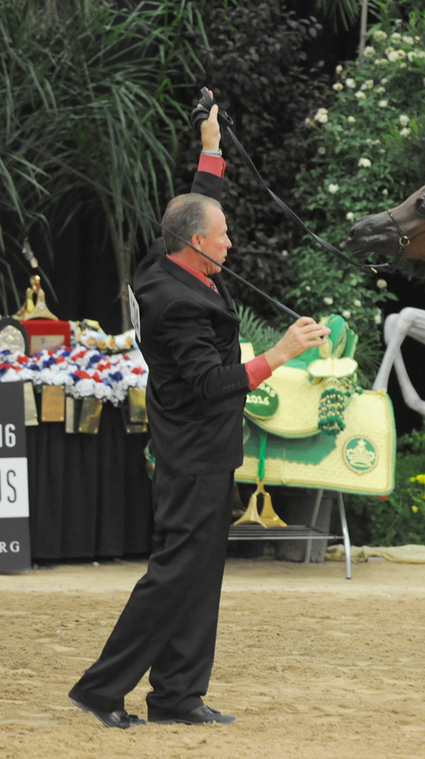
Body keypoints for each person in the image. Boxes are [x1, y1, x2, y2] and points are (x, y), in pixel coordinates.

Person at [68, 98, 330, 729]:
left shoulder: (169, 258)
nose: (231, 241)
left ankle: (177, 695)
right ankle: (101, 689)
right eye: (224, 235)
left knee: (199, 576)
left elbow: (199, 200)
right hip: (191, 455)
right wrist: (279, 354)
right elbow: (212, 384)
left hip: (202, 451)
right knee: (173, 577)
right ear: (196, 245)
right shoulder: (175, 302)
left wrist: (211, 143)